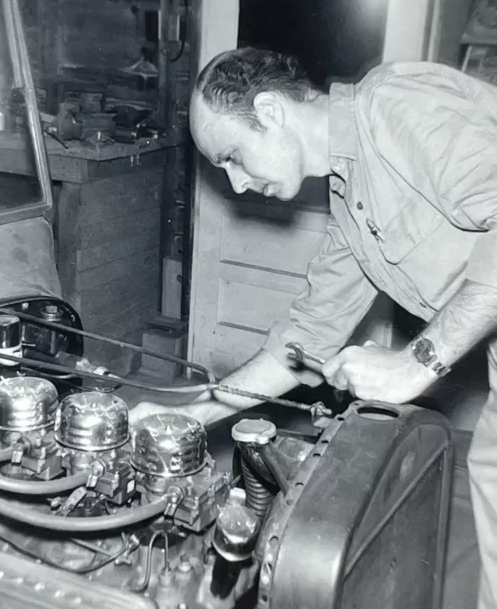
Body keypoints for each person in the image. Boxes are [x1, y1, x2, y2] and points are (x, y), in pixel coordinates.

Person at [128, 47, 497, 609]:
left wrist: (416, 362)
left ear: (271, 111)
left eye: (232, 156)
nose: (236, 184)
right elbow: (301, 344)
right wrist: (192, 414)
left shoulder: (395, 107)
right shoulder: (351, 199)